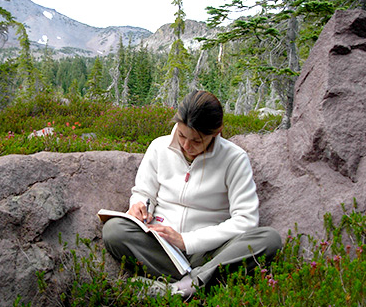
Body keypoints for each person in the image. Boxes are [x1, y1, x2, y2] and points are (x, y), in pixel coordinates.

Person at [102, 90, 282, 297]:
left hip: (210, 252)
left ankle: (180, 288)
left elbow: (246, 220)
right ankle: (198, 284)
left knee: (269, 239)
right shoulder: (158, 148)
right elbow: (143, 192)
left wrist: (187, 241)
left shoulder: (235, 159)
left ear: (217, 132)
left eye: (197, 141)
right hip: (161, 248)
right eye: (181, 135)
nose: (187, 146)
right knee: (114, 231)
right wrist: (139, 206)